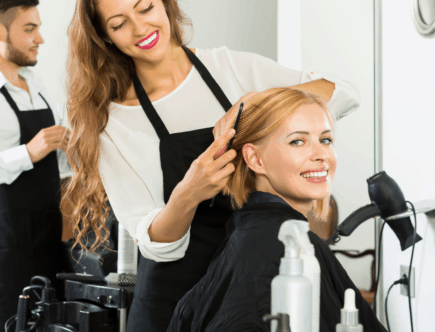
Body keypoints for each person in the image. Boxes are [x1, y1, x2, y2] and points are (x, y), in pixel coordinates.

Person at [64, 0, 360, 330]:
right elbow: (156, 246)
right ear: (106, 37)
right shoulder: (113, 123)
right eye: (119, 24)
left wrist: (257, 100)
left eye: (145, 8)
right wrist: (188, 194)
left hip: (249, 286)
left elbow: (345, 94)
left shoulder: (229, 68)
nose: (140, 28)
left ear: (164, 5)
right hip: (171, 298)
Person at [167, 88, 387, 332]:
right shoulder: (283, 246)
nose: (321, 155)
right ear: (255, 159)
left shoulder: (256, 234)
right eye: (297, 141)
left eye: (325, 140)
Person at [0, 0, 71, 328]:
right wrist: (29, 152)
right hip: (9, 243)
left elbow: (58, 161)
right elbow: (34, 151)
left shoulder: (37, 84)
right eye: (29, 29)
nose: (40, 38)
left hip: (51, 234)